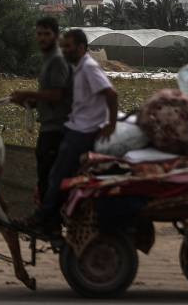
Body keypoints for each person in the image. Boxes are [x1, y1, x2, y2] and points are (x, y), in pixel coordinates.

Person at [20, 28, 117, 233]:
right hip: (74, 126)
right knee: (52, 170)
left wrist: (111, 125)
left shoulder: (89, 67)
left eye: (68, 47)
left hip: (83, 131)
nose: (64, 50)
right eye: (62, 46)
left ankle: (44, 217)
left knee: (57, 176)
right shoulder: (78, 68)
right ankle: (55, 216)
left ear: (81, 48)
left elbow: (111, 94)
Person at [9, 16, 72, 203]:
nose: (42, 38)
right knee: (44, 176)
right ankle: (46, 214)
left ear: (56, 36)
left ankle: (48, 217)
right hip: (48, 126)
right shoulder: (48, 59)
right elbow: (48, 96)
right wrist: (28, 102)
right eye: (39, 34)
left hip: (57, 128)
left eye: (47, 34)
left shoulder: (57, 60)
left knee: (48, 178)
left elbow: (57, 95)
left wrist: (27, 93)